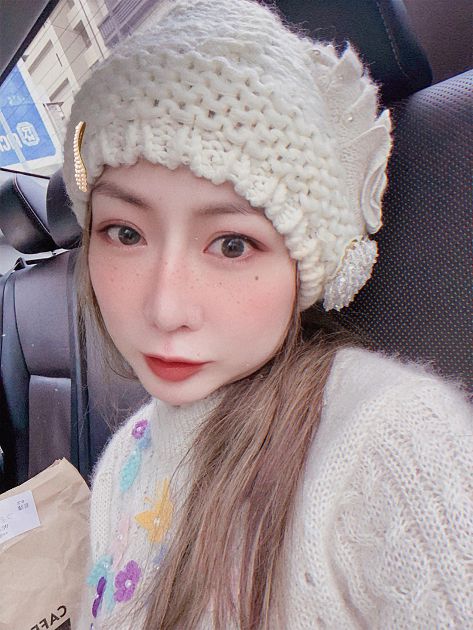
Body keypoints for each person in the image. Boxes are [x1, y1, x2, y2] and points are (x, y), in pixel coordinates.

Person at [62, 1, 473, 628]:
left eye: (232, 244)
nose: (165, 308)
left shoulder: (391, 443)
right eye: (124, 232)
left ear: (305, 267)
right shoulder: (125, 455)